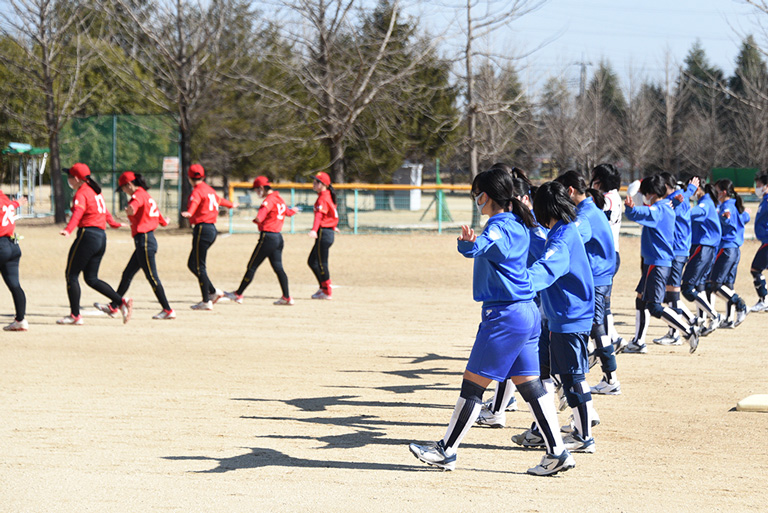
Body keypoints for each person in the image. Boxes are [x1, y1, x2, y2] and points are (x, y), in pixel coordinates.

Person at [409, 168, 574, 477]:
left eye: (476, 194)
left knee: (473, 385)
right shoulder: (518, 222)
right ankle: (558, 452)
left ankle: (446, 450)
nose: (475, 200)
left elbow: (485, 244)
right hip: (524, 313)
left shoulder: (499, 225)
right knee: (530, 384)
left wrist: (470, 244)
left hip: (504, 317)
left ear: (485, 196)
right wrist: (471, 244)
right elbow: (487, 245)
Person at [510, 181, 597, 455]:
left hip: (569, 316)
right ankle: (551, 430)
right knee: (559, 374)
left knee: (573, 377)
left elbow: (548, 266)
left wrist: (520, 282)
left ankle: (584, 436)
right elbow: (542, 247)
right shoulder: (563, 229)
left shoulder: (561, 237)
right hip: (564, 315)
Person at [555, 171, 619, 396]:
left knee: (596, 327)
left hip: (597, 277)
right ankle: (603, 374)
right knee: (594, 326)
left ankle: (610, 378)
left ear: (570, 191)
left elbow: (571, 237)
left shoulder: (585, 215)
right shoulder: (591, 208)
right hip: (601, 276)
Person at [622, 174, 700, 354]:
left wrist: (630, 209)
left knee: (654, 306)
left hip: (656, 263)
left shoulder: (658, 210)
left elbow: (643, 213)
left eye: (644, 193)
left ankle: (688, 330)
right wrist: (688, 191)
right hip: (656, 262)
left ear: (651, 193)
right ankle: (638, 341)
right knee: (641, 299)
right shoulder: (668, 205)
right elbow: (674, 202)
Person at [58, 163, 132, 325]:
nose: (68, 179)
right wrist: (115, 224)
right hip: (101, 237)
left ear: (76, 179)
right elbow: (106, 214)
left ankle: (75, 316)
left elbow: (78, 213)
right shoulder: (95, 192)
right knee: (91, 278)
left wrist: (69, 229)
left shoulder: (82, 193)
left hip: (87, 235)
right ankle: (121, 301)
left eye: (69, 176)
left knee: (71, 275)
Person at [99, 171, 174, 320]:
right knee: (127, 274)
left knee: (152, 277)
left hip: (144, 241)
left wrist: (130, 211)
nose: (124, 192)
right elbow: (161, 220)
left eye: (123, 189)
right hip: (146, 240)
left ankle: (168, 309)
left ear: (129, 185)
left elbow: (134, 206)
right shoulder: (147, 195)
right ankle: (114, 306)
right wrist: (166, 221)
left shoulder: (138, 196)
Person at [224, 176, 296, 305]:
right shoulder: (279, 199)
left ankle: (238, 294)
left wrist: (256, 220)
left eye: (257, 190)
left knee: (252, 266)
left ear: (262, 188)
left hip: (267, 237)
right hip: (278, 237)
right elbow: (288, 213)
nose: (256, 193)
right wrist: (294, 210)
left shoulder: (268, 201)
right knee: (278, 268)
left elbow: (260, 217)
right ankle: (287, 297)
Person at [181, 163, 237, 310]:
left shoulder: (197, 191)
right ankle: (212, 292)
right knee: (192, 264)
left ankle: (206, 301)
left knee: (199, 266)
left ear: (189, 177)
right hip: (211, 229)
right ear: (203, 176)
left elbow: (195, 202)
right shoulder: (209, 189)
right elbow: (220, 201)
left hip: (202, 229)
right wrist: (231, 205)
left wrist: (190, 212)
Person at [653, 172, 699, 346]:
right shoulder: (681, 195)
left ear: (665, 186)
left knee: (672, 293)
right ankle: (685, 324)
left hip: (676, 251)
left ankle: (675, 334)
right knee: (671, 292)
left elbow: (668, 205)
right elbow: (684, 195)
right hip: (681, 250)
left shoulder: (673, 200)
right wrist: (692, 189)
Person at [590, 163, 625, 351]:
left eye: (595, 178)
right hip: (611, 255)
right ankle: (613, 337)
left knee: (601, 302)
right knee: (605, 302)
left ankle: (610, 339)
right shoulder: (615, 196)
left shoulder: (608, 199)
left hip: (605, 256)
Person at [707, 178, 750, 327]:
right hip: (735, 250)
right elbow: (746, 217)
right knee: (728, 284)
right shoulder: (735, 205)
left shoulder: (726, 207)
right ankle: (729, 319)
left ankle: (740, 305)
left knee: (715, 284)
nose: (716, 194)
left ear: (724, 192)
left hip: (726, 248)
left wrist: (724, 219)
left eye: (718, 191)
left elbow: (726, 220)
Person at [681, 179, 722, 336]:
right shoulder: (706, 202)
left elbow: (692, 213)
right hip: (704, 248)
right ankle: (703, 320)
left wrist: (679, 206)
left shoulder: (705, 203)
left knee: (688, 288)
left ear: (698, 189)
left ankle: (714, 315)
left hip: (703, 247)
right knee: (698, 286)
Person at [308, 172, 338, 300]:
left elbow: (319, 216)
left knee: (321, 263)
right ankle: (323, 288)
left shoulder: (323, 197)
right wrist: (333, 225)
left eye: (316, 182)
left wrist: (314, 230)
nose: (314, 184)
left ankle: (326, 290)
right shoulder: (327, 195)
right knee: (312, 261)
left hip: (323, 232)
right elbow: (331, 213)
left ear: (323, 184)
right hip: (327, 231)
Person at [0, 190, 28, 331]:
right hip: (13, 245)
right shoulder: (3, 197)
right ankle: (20, 320)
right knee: (15, 285)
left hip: (1, 245)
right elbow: (9, 206)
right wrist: (18, 203)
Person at [749, 172, 768, 312]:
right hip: (764, 240)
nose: (757, 188)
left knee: (755, 269)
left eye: (759, 186)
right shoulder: (764, 199)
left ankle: (764, 300)